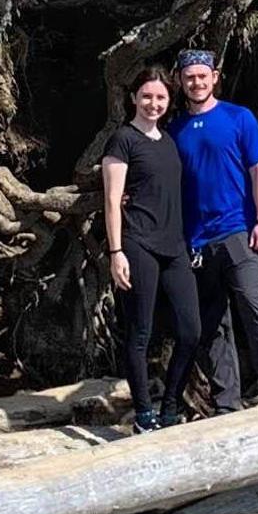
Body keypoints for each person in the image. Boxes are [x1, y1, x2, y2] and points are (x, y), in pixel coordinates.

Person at [166, 47, 258, 412]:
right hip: (196, 241)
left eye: (202, 76)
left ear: (214, 78)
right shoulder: (174, 131)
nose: (196, 82)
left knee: (251, 302)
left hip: (239, 230)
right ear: (180, 81)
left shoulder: (239, 118)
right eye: (189, 76)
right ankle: (228, 403)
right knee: (212, 323)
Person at [100, 65, 202, 431]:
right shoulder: (122, 140)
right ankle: (144, 415)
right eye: (146, 96)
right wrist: (116, 253)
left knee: (191, 330)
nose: (153, 103)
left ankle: (171, 404)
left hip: (174, 246)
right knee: (140, 333)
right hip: (137, 244)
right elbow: (112, 201)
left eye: (160, 97)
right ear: (133, 99)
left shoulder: (169, 140)